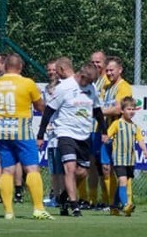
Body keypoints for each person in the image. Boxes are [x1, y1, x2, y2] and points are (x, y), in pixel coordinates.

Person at [37, 58, 105, 218]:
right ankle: (75, 206)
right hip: (66, 133)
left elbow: (97, 110)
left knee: (82, 173)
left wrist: (104, 130)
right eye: (87, 81)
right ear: (81, 75)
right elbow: (48, 111)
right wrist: (40, 135)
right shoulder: (65, 87)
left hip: (84, 135)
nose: (88, 84)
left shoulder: (92, 87)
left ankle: (63, 198)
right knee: (70, 168)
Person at [0, 53, 48, 220]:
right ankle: (38, 209)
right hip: (21, 130)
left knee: (7, 170)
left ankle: (8, 211)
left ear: (5, 67)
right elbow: (40, 105)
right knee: (32, 168)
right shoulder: (27, 83)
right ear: (20, 67)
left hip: (2, 131)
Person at [99, 56, 134, 211]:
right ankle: (111, 202)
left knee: (121, 168)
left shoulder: (123, 87)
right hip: (106, 132)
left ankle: (127, 201)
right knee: (106, 167)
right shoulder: (106, 87)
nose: (109, 73)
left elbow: (118, 109)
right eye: (107, 70)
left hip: (120, 134)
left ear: (120, 70)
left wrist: (98, 113)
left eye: (111, 70)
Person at [105, 96, 147, 216]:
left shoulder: (134, 126)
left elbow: (140, 140)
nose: (131, 111)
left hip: (130, 160)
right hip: (119, 159)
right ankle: (126, 205)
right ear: (122, 111)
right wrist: (106, 139)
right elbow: (107, 135)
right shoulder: (117, 124)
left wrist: (145, 150)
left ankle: (114, 206)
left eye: (133, 109)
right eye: (129, 109)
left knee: (122, 183)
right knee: (122, 181)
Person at [85, 50, 110, 208]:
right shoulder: (90, 81)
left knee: (105, 166)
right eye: (93, 62)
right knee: (92, 164)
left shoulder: (108, 81)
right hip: (89, 129)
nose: (95, 65)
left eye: (98, 62)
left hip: (103, 129)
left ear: (105, 64)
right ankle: (92, 199)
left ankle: (107, 198)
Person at [42, 59, 64, 208]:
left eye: (54, 70)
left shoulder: (64, 88)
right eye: (49, 70)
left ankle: (64, 196)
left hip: (62, 134)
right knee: (54, 170)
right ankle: (55, 197)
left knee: (63, 170)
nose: (51, 73)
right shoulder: (46, 89)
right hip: (50, 136)